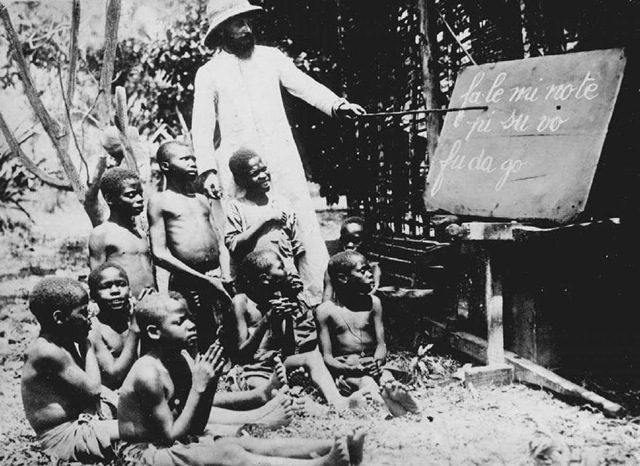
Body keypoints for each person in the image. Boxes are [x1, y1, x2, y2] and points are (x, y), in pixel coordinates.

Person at [192, 0, 366, 305]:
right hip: (237, 168)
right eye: (238, 24)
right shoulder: (209, 73)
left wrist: (337, 105)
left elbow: (304, 86)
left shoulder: (272, 59)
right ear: (221, 32)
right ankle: (250, 310)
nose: (247, 30)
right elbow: (202, 125)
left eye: (248, 21)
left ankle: (316, 301)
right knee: (245, 232)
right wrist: (207, 170)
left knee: (298, 222)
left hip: (279, 160)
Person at [116, 291, 367, 466]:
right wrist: (199, 388)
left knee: (246, 444)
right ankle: (322, 464)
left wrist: (209, 383)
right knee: (229, 455)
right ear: (153, 332)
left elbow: (195, 425)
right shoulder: (148, 373)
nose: (191, 325)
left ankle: (332, 447)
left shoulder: (180, 359)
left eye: (190, 318)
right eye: (180, 322)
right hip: (143, 456)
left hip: (173, 443)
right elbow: (169, 437)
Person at [226, 249, 368, 411]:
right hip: (253, 370)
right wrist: (266, 320)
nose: (287, 272)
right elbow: (241, 355)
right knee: (273, 395)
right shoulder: (242, 302)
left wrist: (287, 317)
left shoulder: (278, 300)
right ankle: (314, 408)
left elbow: (289, 351)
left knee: (312, 357)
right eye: (281, 268)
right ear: (264, 279)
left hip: (278, 364)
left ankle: (338, 402)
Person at [21, 277, 119, 463]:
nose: (89, 317)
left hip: (84, 416)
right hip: (64, 436)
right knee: (139, 429)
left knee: (139, 411)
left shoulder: (62, 339)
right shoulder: (46, 351)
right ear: (59, 318)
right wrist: (87, 344)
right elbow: (93, 389)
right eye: (83, 312)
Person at [148, 141, 231, 353]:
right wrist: (204, 280)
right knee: (190, 338)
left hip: (216, 278)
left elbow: (220, 242)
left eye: (193, 158)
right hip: (186, 281)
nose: (193, 163)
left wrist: (225, 273)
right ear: (165, 166)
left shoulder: (202, 199)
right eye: (185, 159)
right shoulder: (159, 201)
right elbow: (159, 253)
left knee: (222, 332)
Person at [316, 250, 420, 417]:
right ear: (343, 278)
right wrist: (350, 368)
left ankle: (398, 399)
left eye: (369, 269)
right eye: (362, 271)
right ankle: (390, 409)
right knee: (366, 381)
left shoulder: (374, 303)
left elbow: (381, 344)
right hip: (348, 369)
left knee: (388, 379)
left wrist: (377, 363)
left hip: (373, 364)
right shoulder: (325, 311)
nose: (370, 275)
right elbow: (327, 357)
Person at [225, 149, 305, 290]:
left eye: (264, 169)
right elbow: (233, 245)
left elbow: (296, 247)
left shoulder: (283, 203)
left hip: (286, 278)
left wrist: (294, 275)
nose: (263, 176)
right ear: (240, 180)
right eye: (255, 173)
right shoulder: (236, 207)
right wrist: (266, 219)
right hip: (255, 283)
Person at [88, 167, 157, 300]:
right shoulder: (102, 234)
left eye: (140, 193)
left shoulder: (141, 234)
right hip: (124, 306)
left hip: (151, 304)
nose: (140, 199)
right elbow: (97, 280)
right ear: (110, 199)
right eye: (131, 195)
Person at [87, 262, 141, 390]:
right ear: (92, 295)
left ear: (130, 290)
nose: (115, 291)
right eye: (106, 286)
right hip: (112, 396)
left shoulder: (138, 320)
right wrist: (134, 329)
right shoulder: (93, 329)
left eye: (121, 284)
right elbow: (113, 377)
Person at [323, 216, 381, 302]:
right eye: (345, 240)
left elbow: (372, 295)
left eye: (355, 240)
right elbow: (327, 299)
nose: (349, 245)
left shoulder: (373, 268)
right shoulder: (334, 268)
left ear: (365, 241)